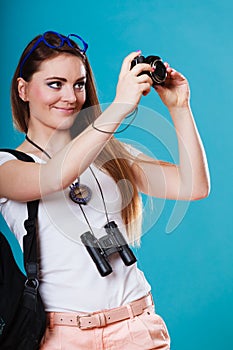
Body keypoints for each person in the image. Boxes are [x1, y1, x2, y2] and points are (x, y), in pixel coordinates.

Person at [0, 31, 210, 349]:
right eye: (55, 84)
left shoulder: (110, 156)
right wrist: (120, 107)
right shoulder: (6, 164)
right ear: (23, 89)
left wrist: (180, 107)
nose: (70, 97)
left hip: (135, 328)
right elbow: (54, 176)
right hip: (65, 337)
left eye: (79, 84)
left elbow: (193, 185)